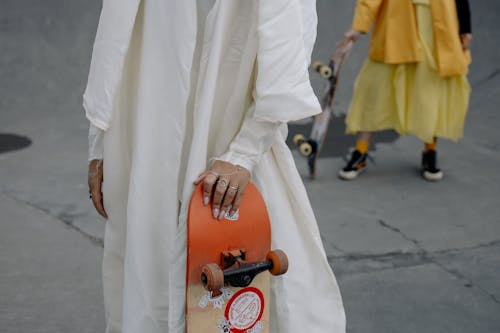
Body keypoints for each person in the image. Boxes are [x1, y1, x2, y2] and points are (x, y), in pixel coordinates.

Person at [85, 0, 346, 332]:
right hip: (147, 143)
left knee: (241, 297)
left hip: (231, 145)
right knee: (150, 286)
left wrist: (244, 152)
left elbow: (289, 46)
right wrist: (100, 141)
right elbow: (114, 33)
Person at [338, 0, 472, 181]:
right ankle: (360, 150)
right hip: (396, 24)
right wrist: (359, 26)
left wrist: (465, 28)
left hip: (437, 25)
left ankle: (430, 150)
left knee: (430, 90)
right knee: (376, 89)